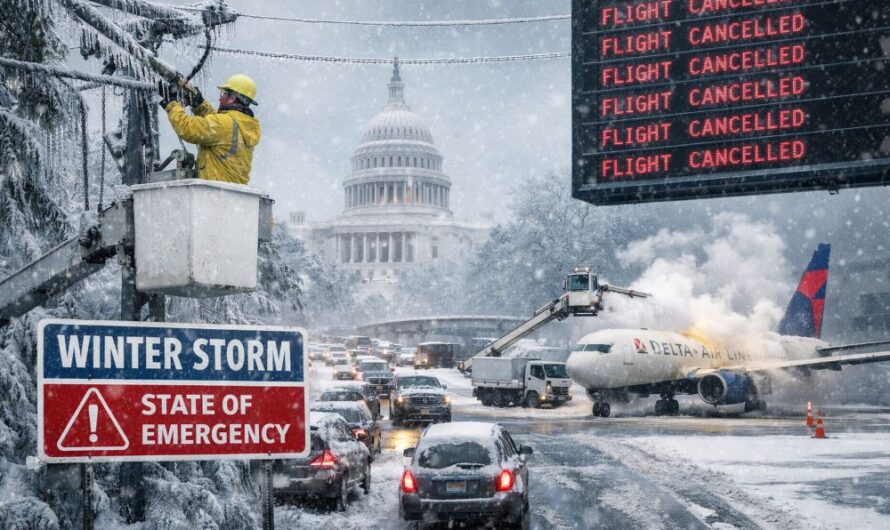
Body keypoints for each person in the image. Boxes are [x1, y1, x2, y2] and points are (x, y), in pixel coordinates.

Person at [159, 74, 261, 185]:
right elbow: (216, 125)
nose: (220, 98)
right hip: (231, 195)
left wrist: (172, 104)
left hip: (211, 195)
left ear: (232, 98)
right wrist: (199, 104)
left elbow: (187, 128)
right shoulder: (243, 125)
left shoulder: (224, 124)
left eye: (224, 94)